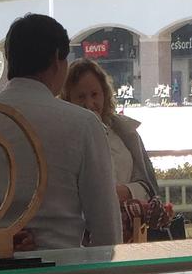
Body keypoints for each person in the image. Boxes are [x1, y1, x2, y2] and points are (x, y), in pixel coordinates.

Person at [0, 14, 121, 252]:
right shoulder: (83, 124)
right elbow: (106, 225)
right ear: (56, 60)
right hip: (61, 268)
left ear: (10, 59)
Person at [60, 59, 165, 240]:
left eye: (94, 94)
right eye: (81, 97)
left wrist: (124, 192)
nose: (89, 103)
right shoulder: (63, 139)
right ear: (68, 100)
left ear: (105, 94)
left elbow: (148, 186)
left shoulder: (126, 132)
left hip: (135, 236)